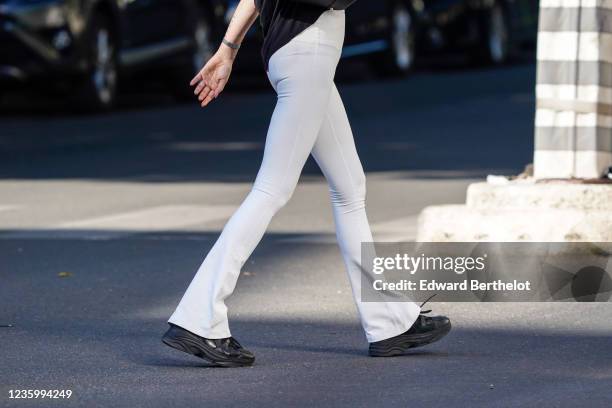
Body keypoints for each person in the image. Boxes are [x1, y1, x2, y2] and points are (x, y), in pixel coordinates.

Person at [162, 0, 451, 367]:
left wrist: (228, 48)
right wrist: (228, 49)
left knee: (350, 189)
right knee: (271, 188)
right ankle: (198, 316)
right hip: (308, 53)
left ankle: (388, 322)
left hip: (299, 56)